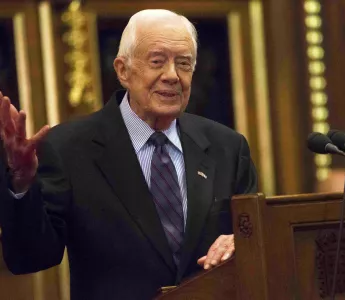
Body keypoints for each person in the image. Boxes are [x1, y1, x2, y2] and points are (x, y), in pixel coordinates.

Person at [0, 9, 257, 300]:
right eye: (157, 62)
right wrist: (21, 183)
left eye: (183, 64)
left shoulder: (228, 147)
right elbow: (30, 258)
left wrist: (243, 242)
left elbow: (255, 237)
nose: (172, 76)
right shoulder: (69, 148)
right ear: (123, 71)